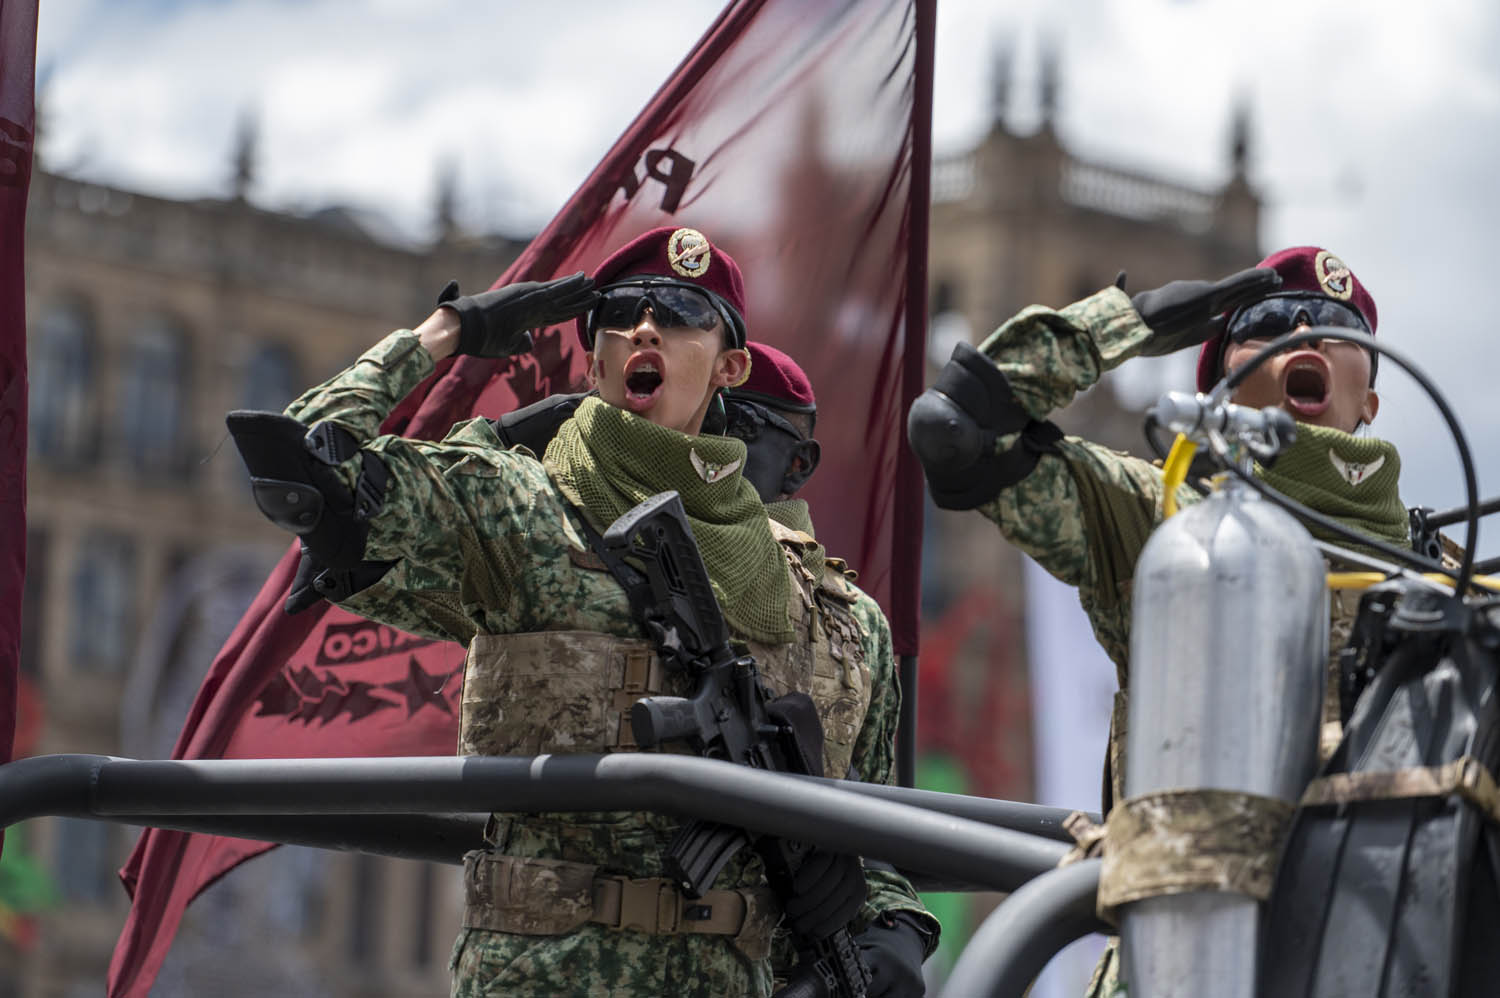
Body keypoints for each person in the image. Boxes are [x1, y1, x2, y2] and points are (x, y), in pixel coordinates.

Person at [228, 226, 923, 997]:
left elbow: (870, 822)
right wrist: (451, 332)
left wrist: (895, 929)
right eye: (621, 314)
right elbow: (304, 471)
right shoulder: (523, 511)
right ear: (596, 361)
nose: (647, 327)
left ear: (731, 366)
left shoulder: (838, 614)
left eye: (684, 312)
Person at [907, 245, 1397, 997]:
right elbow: (958, 431)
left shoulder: (1442, 571)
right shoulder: (1161, 520)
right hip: (1179, 963)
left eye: (1336, 325)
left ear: (1369, 399)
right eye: (1265, 322)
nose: (1303, 330)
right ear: (1222, 386)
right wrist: (1121, 324)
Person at [726, 342, 940, 997]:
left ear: (798, 464)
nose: (712, 443)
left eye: (739, 426)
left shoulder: (854, 625)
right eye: (700, 418)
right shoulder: (611, 560)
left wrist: (898, 929)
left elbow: (866, 828)